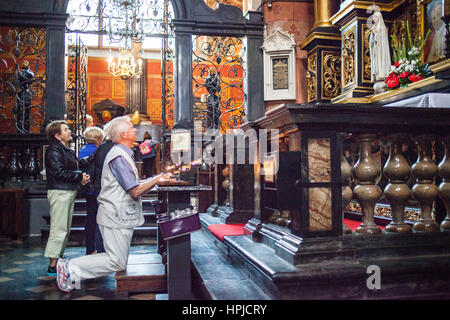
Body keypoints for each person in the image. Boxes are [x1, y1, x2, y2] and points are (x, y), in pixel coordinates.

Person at [55, 116, 171, 292]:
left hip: (119, 213)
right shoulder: (118, 156)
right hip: (114, 214)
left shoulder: (123, 153)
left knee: (118, 261)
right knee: (115, 260)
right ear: (123, 134)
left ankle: (72, 273)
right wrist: (157, 179)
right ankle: (69, 267)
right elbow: (134, 190)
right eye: (132, 127)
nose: (135, 130)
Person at [44, 120, 90, 276]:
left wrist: (86, 164)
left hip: (67, 191)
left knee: (64, 228)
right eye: (66, 129)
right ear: (57, 136)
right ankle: (52, 265)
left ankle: (57, 259)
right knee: (59, 229)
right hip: (60, 192)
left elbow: (74, 166)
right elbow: (59, 172)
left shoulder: (65, 150)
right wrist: (79, 176)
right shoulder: (53, 151)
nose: (70, 131)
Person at [78, 126, 105, 255]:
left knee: (90, 219)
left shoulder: (82, 151)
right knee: (98, 219)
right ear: (99, 138)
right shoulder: (99, 151)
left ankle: (90, 247)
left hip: (87, 188)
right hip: (97, 188)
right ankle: (97, 247)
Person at [368, 5, 391, 88]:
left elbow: (382, 40)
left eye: (375, 17)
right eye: (373, 18)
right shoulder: (375, 27)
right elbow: (372, 41)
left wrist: (376, 34)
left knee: (380, 63)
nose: (373, 19)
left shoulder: (382, 27)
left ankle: (381, 75)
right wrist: (373, 34)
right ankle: (378, 76)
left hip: (381, 51)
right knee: (376, 63)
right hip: (376, 51)